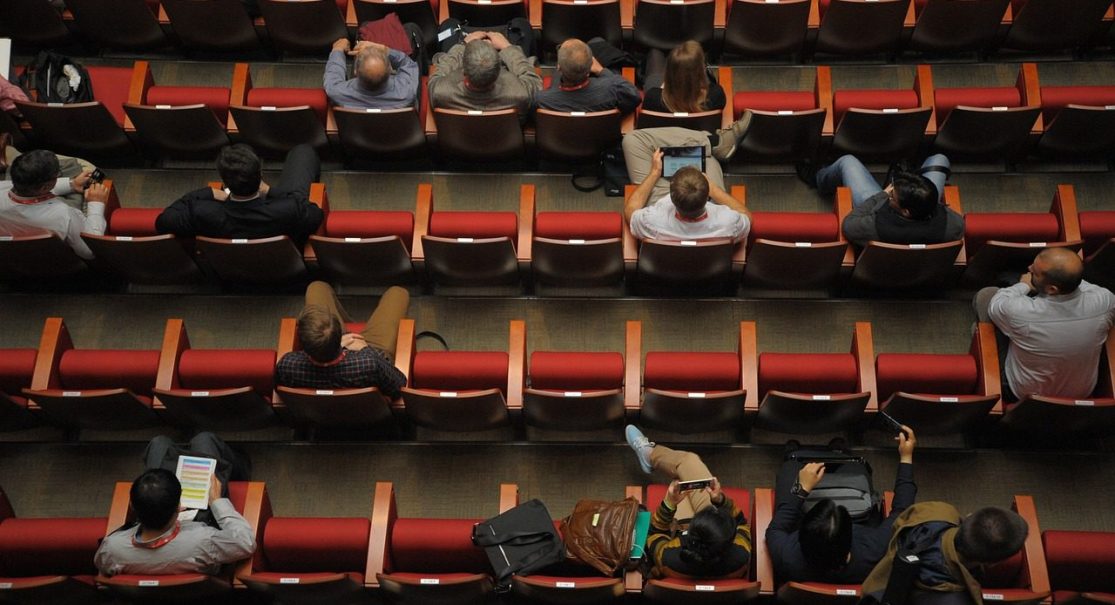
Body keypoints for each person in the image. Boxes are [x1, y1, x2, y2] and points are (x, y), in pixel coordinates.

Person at [766, 427, 918, 584]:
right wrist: (906, 457)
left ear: (801, 535)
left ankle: (794, 457)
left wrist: (801, 489)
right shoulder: (875, 552)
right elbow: (902, 510)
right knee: (855, 467)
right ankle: (838, 454)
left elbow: (776, 527)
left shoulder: (787, 556)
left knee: (791, 468)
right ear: (850, 535)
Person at [94, 433, 255, 577]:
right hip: (200, 525)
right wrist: (216, 501)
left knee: (159, 443)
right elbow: (245, 543)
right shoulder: (203, 541)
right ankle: (242, 466)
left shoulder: (112, 549)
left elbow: (104, 568)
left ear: (133, 506)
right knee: (204, 440)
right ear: (179, 507)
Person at [973, 247, 1115, 402]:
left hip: (1022, 393)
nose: (1029, 269)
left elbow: (996, 304)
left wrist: (1024, 285)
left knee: (986, 296)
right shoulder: (1105, 301)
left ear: (1052, 289)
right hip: (1081, 393)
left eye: (1034, 273)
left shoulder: (1020, 312)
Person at [625, 425, 751, 579]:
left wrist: (669, 504)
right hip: (709, 551)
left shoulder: (668, 556)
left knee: (684, 470)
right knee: (685, 478)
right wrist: (720, 500)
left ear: (691, 532)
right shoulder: (740, 553)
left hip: (676, 533)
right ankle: (649, 456)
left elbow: (655, 534)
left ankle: (649, 455)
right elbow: (742, 524)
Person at [155, 144, 323, 246]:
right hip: (286, 265)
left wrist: (208, 193)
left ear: (225, 183)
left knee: (242, 148)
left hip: (230, 272)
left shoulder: (202, 213)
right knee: (303, 151)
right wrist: (272, 192)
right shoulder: (289, 208)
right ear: (261, 176)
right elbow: (316, 215)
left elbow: (162, 221)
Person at [861, 504, 1029, 605]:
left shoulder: (938, 511)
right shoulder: (958, 601)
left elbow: (898, 523)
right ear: (993, 563)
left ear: (967, 517)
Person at [275, 281, 410, 399]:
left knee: (316, 287)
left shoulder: (287, 365)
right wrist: (366, 349)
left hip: (319, 415)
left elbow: (281, 391)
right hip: (369, 350)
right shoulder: (369, 363)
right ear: (339, 333)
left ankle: (349, 321)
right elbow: (400, 384)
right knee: (398, 293)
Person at [800, 154, 963, 248]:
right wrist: (927, 197)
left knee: (847, 162)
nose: (890, 193)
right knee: (940, 159)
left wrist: (882, 196)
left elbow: (849, 224)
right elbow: (945, 212)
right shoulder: (954, 226)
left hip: (879, 211)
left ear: (906, 211)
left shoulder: (873, 226)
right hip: (921, 237)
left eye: (893, 195)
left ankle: (818, 178)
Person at [623, 141, 751, 242]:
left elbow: (630, 211)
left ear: (671, 199)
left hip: (665, 269)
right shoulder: (729, 222)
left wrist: (654, 173)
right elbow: (747, 216)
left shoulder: (651, 220)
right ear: (707, 197)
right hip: (711, 270)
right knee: (711, 159)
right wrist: (714, 189)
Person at [0, 149, 108, 260]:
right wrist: (96, 203)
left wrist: (72, 184)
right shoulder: (63, 214)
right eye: (57, 176)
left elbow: (24, 189)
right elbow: (90, 252)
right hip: (59, 263)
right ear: (45, 187)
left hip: (12, 260)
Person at [428, 30, 542, 121]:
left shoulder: (439, 92)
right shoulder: (521, 95)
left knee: (449, 25)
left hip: (456, 141)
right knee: (521, 24)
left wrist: (463, 44)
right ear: (499, 72)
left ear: (463, 71)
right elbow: (532, 79)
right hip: (503, 142)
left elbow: (438, 74)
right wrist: (507, 46)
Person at [534, 38, 640, 114]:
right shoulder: (613, 89)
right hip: (602, 140)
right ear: (590, 67)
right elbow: (634, 97)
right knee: (598, 43)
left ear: (558, 67)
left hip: (558, 143)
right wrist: (601, 71)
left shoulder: (542, 100)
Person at [324, 37, 419, 109]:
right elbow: (408, 64)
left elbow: (333, 73)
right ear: (390, 70)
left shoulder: (336, 92)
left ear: (355, 71)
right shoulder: (407, 92)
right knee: (411, 28)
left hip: (357, 133)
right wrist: (385, 49)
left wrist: (338, 49)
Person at [640, 40, 726, 115]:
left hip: (664, 131)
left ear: (668, 72)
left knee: (655, 53)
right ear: (701, 70)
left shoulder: (653, 97)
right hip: (698, 133)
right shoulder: (716, 95)